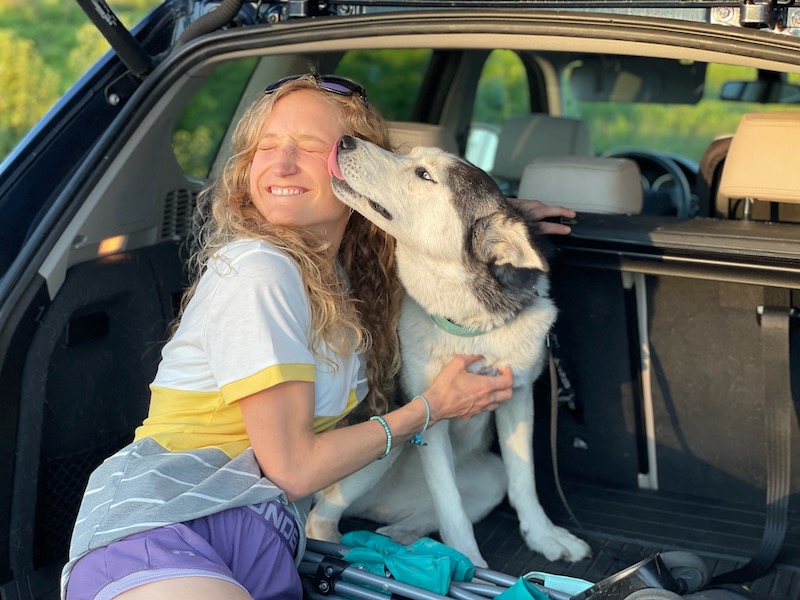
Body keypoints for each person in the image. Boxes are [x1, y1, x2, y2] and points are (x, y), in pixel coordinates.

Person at [61, 73, 576, 600]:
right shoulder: (259, 271)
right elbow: (294, 468)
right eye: (266, 147)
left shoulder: (350, 279)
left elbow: (444, 251)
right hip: (170, 523)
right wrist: (432, 406)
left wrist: (492, 226)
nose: (281, 164)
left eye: (309, 148)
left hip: (266, 536)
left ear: (356, 165)